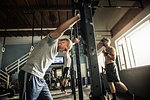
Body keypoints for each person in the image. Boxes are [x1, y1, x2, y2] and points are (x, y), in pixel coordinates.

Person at [18, 14, 80, 100]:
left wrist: (73, 43)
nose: (64, 52)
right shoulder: (52, 41)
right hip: (30, 74)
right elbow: (60, 30)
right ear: (61, 42)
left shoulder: (56, 51)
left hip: (40, 78)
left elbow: (68, 45)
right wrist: (77, 18)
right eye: (65, 49)